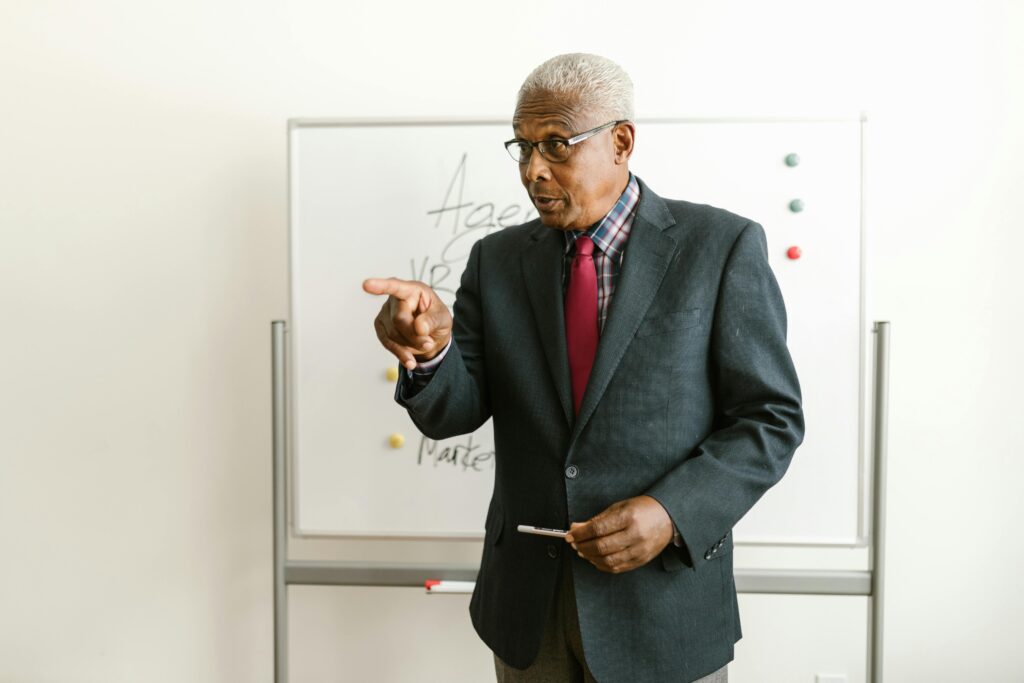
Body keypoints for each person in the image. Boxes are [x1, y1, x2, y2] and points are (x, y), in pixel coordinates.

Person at [363, 53, 804, 683]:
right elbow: (453, 412)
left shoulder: (720, 247)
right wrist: (431, 351)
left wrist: (672, 512)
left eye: (555, 145)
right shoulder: (496, 260)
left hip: (664, 611)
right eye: (522, 148)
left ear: (621, 141)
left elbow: (770, 419)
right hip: (528, 615)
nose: (533, 170)